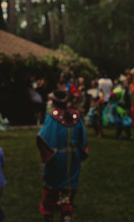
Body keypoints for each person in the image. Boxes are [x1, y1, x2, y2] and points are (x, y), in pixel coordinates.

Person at [37, 89, 88, 222]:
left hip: (56, 157)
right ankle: (66, 214)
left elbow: (43, 138)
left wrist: (46, 156)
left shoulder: (52, 116)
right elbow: (83, 139)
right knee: (67, 189)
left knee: (51, 189)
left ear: (54, 102)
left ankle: (48, 214)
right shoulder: (76, 116)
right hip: (73, 158)